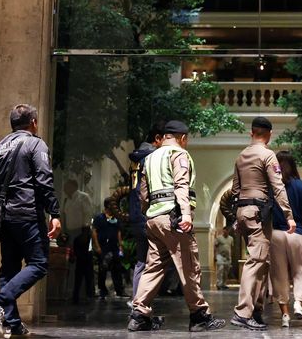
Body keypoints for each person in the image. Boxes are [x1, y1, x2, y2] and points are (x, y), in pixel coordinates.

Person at [128, 120, 225, 332]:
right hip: (173, 219)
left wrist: (148, 212)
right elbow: (181, 185)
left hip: (153, 219)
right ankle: (199, 315)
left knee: (153, 268)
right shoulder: (179, 154)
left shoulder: (149, 157)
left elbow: (142, 192)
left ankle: (139, 315)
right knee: (189, 265)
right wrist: (186, 215)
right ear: (182, 138)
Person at [0, 104, 62, 339]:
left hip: (4, 217)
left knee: (9, 268)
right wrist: (54, 213)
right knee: (39, 264)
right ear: (33, 122)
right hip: (26, 213)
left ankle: (14, 325)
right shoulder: (36, 143)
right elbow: (44, 179)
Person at [230, 117, 296, 331]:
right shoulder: (268, 155)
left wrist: (235, 217)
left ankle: (256, 310)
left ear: (252, 133)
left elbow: (234, 190)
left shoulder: (241, 156)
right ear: (269, 135)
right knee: (256, 261)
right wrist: (289, 215)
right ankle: (242, 313)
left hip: (244, 212)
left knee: (262, 261)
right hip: (259, 212)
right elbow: (278, 186)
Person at [269, 151, 302, 327]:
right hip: (297, 233)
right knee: (300, 270)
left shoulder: (271, 186)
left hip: (276, 233)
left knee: (279, 274)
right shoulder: (300, 185)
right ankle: (298, 302)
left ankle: (285, 315)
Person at [127, 122, 165, 304]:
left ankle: (137, 304)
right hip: (147, 214)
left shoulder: (136, 158)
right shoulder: (152, 157)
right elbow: (145, 192)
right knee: (152, 263)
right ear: (157, 139)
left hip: (135, 216)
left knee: (142, 262)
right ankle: (141, 306)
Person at [62, 178, 95, 304]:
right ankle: (72, 292)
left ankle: (81, 293)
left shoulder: (83, 197)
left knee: (82, 264)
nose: (65, 189)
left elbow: (88, 214)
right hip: (71, 233)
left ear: (73, 186)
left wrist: (85, 233)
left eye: (67, 186)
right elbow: (65, 216)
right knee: (72, 263)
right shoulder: (66, 200)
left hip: (82, 232)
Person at [92, 198, 126, 299]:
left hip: (114, 247)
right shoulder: (99, 217)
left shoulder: (116, 218)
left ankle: (119, 290)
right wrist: (97, 246)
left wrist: (120, 246)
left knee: (117, 269)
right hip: (103, 247)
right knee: (103, 269)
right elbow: (94, 232)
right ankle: (103, 291)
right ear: (107, 206)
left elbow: (118, 232)